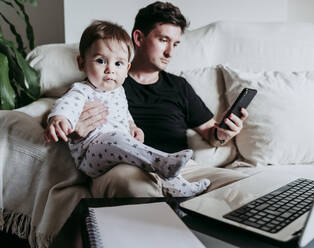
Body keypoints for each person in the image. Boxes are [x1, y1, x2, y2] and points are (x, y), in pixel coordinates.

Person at [59, 2, 249, 197]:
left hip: (181, 170)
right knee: (137, 188)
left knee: (246, 188)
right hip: (123, 167)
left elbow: (211, 133)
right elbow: (67, 115)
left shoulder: (179, 86)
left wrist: (223, 132)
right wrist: (74, 131)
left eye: (175, 44)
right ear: (139, 38)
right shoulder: (105, 83)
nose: (170, 52)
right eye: (163, 40)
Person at [45, 20, 210, 197]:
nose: (110, 70)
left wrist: (132, 127)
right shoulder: (82, 90)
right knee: (123, 142)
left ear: (126, 68)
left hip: (120, 151)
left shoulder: (119, 91)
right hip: (91, 154)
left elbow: (125, 114)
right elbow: (66, 105)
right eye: (101, 61)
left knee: (140, 154)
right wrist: (59, 119)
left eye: (118, 64)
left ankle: (180, 187)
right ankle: (163, 163)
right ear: (81, 63)